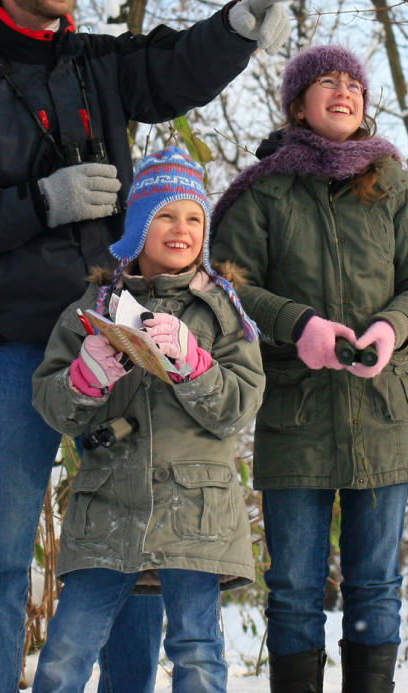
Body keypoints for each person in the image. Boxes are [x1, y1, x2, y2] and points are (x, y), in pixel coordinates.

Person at [0, 0, 296, 691]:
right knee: (2, 553)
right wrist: (39, 201)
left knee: (133, 547)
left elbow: (173, 67)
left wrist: (237, 26)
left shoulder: (97, 66)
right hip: (17, 347)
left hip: (119, 335)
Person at [210, 45, 408, 693]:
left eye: (353, 84)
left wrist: (391, 328)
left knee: (375, 584)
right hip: (296, 412)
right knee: (293, 587)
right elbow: (228, 288)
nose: (344, 92)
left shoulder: (392, 182)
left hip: (385, 411)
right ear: (298, 104)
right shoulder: (264, 191)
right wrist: (299, 325)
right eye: (327, 82)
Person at [29, 148, 264, 693]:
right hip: (108, 507)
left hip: (197, 511)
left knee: (197, 653)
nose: (181, 230)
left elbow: (238, 407)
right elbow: (52, 404)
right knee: (65, 654)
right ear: (138, 226)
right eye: (166, 215)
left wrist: (194, 364)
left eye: (194, 218)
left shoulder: (222, 311)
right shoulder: (93, 307)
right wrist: (85, 377)